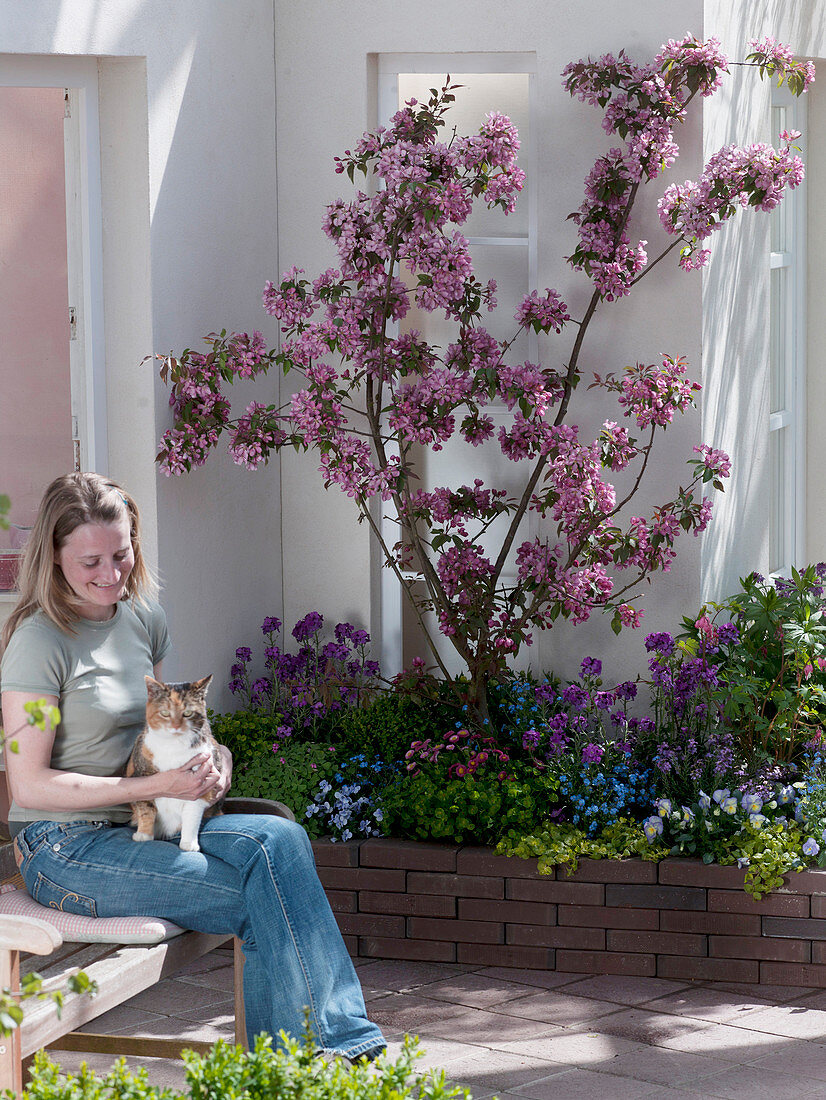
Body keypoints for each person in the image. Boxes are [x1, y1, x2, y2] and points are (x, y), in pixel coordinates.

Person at [0, 472, 385, 1060]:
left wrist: (217, 757)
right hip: (63, 847)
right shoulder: (38, 642)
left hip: (146, 819)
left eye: (122, 554)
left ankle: (317, 1058)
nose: (111, 574)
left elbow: (171, 719)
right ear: (53, 559)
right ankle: (318, 1062)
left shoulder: (141, 619)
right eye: (90, 562)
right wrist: (159, 784)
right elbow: (30, 784)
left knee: (279, 839)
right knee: (265, 897)